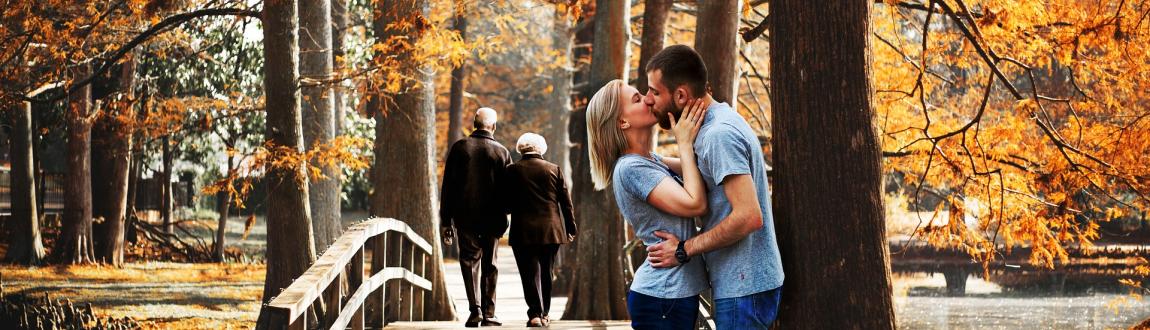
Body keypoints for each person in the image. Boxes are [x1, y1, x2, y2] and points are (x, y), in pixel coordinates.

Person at [642, 45, 785, 329]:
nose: (647, 100)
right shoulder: (716, 123)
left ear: (681, 95)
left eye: (654, 92)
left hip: (744, 288)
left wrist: (683, 249)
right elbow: (705, 169)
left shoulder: (718, 135)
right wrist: (648, 159)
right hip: (744, 283)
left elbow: (748, 217)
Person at [586, 78, 711, 329]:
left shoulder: (650, 159)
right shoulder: (632, 168)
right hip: (662, 297)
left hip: (672, 294)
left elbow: (700, 170)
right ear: (623, 122)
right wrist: (683, 142)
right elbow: (696, 204)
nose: (648, 99)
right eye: (637, 99)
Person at [439, 107, 511, 327]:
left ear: (474, 124)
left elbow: (448, 187)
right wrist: (506, 213)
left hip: (465, 216)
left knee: (469, 262)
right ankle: (490, 313)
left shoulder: (460, 148)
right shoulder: (501, 152)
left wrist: (446, 221)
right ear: (494, 127)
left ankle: (475, 310)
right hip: (493, 218)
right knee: (490, 264)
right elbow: (508, 189)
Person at [502, 133, 577, 327]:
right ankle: (545, 313)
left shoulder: (511, 170)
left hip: (522, 231)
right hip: (551, 230)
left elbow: (506, 204)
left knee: (528, 273)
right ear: (541, 148)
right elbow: (565, 204)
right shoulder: (554, 169)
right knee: (546, 271)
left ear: (521, 148)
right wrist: (570, 227)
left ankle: (534, 314)